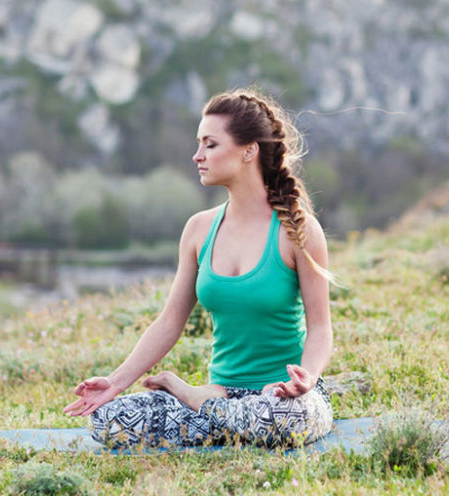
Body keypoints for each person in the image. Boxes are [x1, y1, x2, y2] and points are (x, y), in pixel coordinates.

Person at [63, 89, 334, 448]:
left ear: (248, 151)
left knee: (286, 420)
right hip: (221, 392)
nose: (197, 156)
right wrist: (115, 383)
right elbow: (170, 321)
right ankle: (210, 408)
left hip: (281, 400)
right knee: (109, 420)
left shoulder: (297, 230)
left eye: (210, 144)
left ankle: (197, 403)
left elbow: (320, 327)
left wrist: (307, 379)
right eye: (198, 144)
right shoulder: (198, 230)